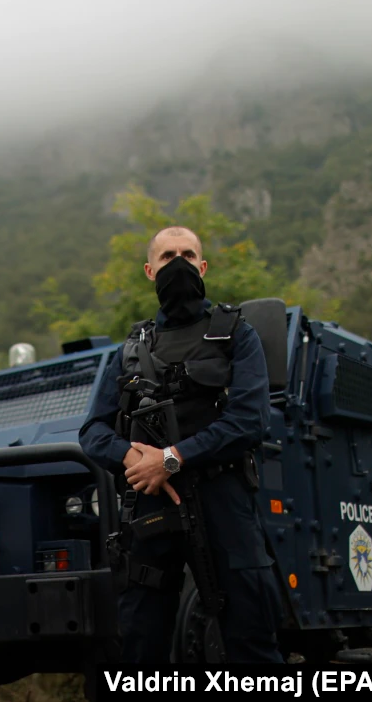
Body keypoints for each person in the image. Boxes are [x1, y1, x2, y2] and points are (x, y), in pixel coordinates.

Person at [78, 225, 284, 664]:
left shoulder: (236, 334)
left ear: (202, 266)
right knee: (140, 646)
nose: (179, 264)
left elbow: (250, 421)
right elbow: (93, 431)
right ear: (150, 270)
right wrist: (133, 457)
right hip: (151, 505)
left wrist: (171, 459)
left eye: (188, 255)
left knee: (252, 640)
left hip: (222, 499)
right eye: (168, 256)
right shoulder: (131, 349)